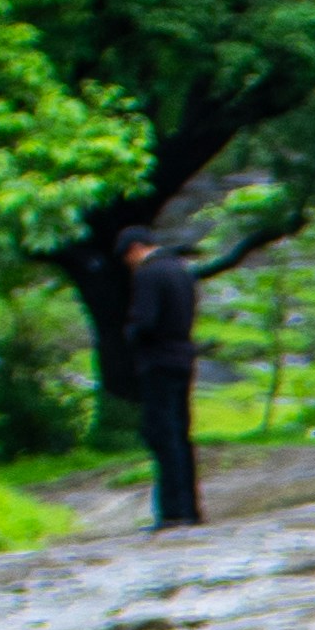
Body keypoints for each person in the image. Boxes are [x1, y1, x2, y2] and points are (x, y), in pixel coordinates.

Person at [121, 223, 202, 530]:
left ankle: (171, 511)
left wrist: (129, 334)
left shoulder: (148, 274)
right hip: (183, 356)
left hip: (158, 361)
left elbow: (145, 320)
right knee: (180, 433)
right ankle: (190, 507)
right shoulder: (181, 270)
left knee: (161, 434)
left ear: (134, 250)